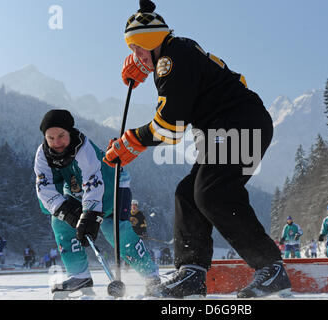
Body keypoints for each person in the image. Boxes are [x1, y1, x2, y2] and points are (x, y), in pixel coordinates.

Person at [103, 0, 291, 298]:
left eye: (138, 49)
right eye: (132, 52)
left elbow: (170, 126)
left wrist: (131, 142)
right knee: (188, 193)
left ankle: (271, 268)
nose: (135, 56)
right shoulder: (175, 52)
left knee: (213, 192)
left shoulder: (171, 61)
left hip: (239, 124)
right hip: (230, 126)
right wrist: (144, 66)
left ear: (152, 42)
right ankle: (191, 273)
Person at [34, 109, 159, 297]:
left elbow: (94, 182)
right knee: (60, 222)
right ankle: (79, 275)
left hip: (113, 186)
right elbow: (44, 189)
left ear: (70, 132)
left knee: (113, 229)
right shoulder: (43, 155)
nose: (56, 143)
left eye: (61, 136)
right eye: (51, 138)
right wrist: (65, 211)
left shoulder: (84, 148)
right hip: (79, 193)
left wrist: (90, 216)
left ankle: (151, 276)